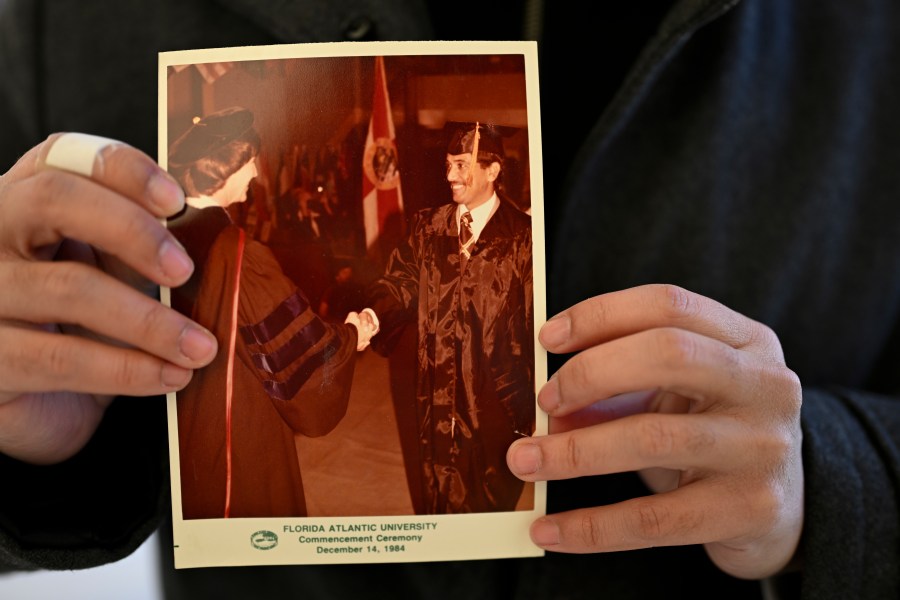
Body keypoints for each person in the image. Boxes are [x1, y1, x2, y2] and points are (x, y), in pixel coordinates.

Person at [0, 1, 898, 599]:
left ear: (495, 169)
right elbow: (390, 294)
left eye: (469, 162)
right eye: (452, 161)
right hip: (424, 419)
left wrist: (825, 478)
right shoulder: (60, 21)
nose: (457, 170)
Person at [165, 106, 374, 519]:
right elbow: (295, 351)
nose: (258, 172)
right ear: (230, 166)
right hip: (232, 427)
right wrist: (351, 336)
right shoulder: (237, 252)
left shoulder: (162, 232)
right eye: (252, 160)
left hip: (183, 420)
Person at [364, 122, 534, 513]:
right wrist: (374, 315)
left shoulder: (524, 237)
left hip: (496, 397)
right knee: (437, 493)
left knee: (488, 498)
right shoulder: (428, 226)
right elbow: (400, 282)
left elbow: (533, 321)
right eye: (447, 164)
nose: (449, 175)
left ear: (493, 171)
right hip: (436, 389)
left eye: (461, 164)